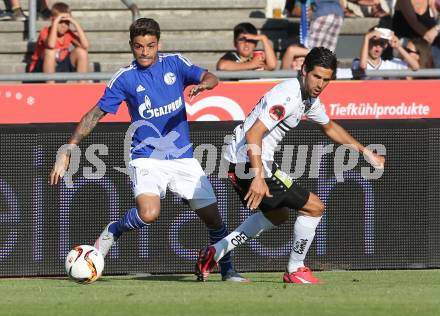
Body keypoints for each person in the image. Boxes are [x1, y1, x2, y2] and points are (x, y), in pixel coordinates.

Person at [49, 18, 247, 283]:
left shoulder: (175, 64)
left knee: (214, 220)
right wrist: (69, 148)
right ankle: (113, 230)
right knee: (149, 214)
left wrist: (205, 84)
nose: (145, 52)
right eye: (139, 46)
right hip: (146, 159)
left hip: (182, 158)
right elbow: (95, 115)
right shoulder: (125, 78)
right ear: (131, 45)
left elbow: (210, 76)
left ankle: (227, 270)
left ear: (158, 44)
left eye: (150, 46)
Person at [195, 47, 385, 284]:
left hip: (239, 160)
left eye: (326, 80)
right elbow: (254, 134)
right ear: (304, 70)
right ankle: (296, 269)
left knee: (278, 214)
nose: (320, 84)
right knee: (314, 207)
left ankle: (215, 251)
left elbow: (329, 127)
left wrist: (365, 151)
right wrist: (258, 176)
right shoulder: (289, 95)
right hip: (249, 162)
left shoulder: (308, 99)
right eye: (316, 76)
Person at [28, 2, 89, 83]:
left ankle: (82, 87)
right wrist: (56, 22)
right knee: (50, 52)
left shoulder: (68, 33)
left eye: (67, 22)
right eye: (61, 22)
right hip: (41, 71)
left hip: (60, 67)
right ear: (52, 20)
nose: (64, 25)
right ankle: (51, 88)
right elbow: (51, 45)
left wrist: (75, 23)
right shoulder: (45, 31)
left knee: (81, 52)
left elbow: (85, 46)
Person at [351, 28, 419, 79]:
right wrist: (366, 37)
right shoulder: (357, 62)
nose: (378, 46)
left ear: (385, 46)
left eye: (381, 43)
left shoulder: (392, 63)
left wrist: (398, 47)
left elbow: (415, 67)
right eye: (374, 42)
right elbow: (363, 66)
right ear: (367, 44)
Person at [392, 0, 440, 67]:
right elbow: (415, 23)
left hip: (427, 44)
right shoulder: (403, 1)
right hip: (405, 45)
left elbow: (437, 21)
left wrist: (433, 7)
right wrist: (433, 38)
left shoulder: (431, 1)